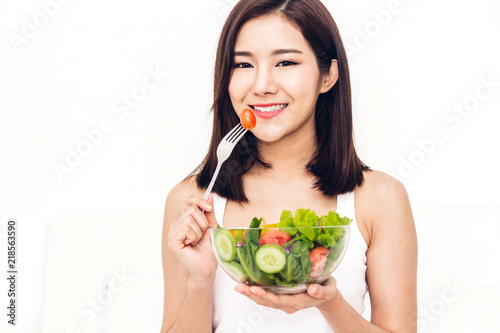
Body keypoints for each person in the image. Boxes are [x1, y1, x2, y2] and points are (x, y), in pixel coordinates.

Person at [160, 0, 418, 332]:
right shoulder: (192, 201)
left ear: (327, 76)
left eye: (285, 62)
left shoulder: (380, 197)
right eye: (243, 65)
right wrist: (200, 279)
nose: (262, 85)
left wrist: (330, 303)